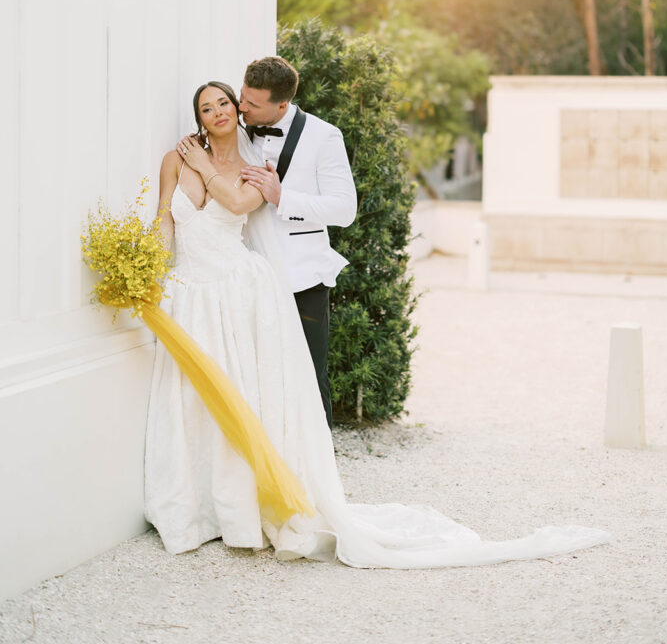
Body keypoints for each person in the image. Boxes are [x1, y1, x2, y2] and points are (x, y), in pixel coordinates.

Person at [144, 79, 609, 567]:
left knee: (248, 392)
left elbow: (244, 205)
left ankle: (248, 503)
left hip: (239, 289)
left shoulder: (258, 166)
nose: (222, 110)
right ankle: (196, 502)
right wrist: (149, 271)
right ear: (198, 117)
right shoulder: (177, 158)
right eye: (208, 107)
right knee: (189, 395)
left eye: (227, 103)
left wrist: (207, 168)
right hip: (189, 291)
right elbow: (164, 218)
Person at [237, 56, 357, 427]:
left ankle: (320, 459)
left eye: (253, 104)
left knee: (308, 374)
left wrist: (282, 197)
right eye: (243, 97)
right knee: (253, 374)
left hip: (302, 277)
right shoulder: (235, 128)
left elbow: (344, 209)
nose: (242, 107)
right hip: (245, 273)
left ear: (282, 105)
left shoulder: (324, 136)